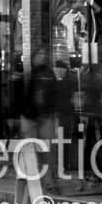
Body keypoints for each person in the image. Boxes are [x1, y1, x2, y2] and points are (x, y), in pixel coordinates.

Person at [25, 51, 62, 193]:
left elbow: (51, 95)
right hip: (36, 116)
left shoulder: (43, 74)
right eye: (38, 55)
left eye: (42, 55)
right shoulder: (35, 74)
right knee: (39, 150)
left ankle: (46, 180)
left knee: (43, 150)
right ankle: (43, 179)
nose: (40, 57)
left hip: (43, 116)